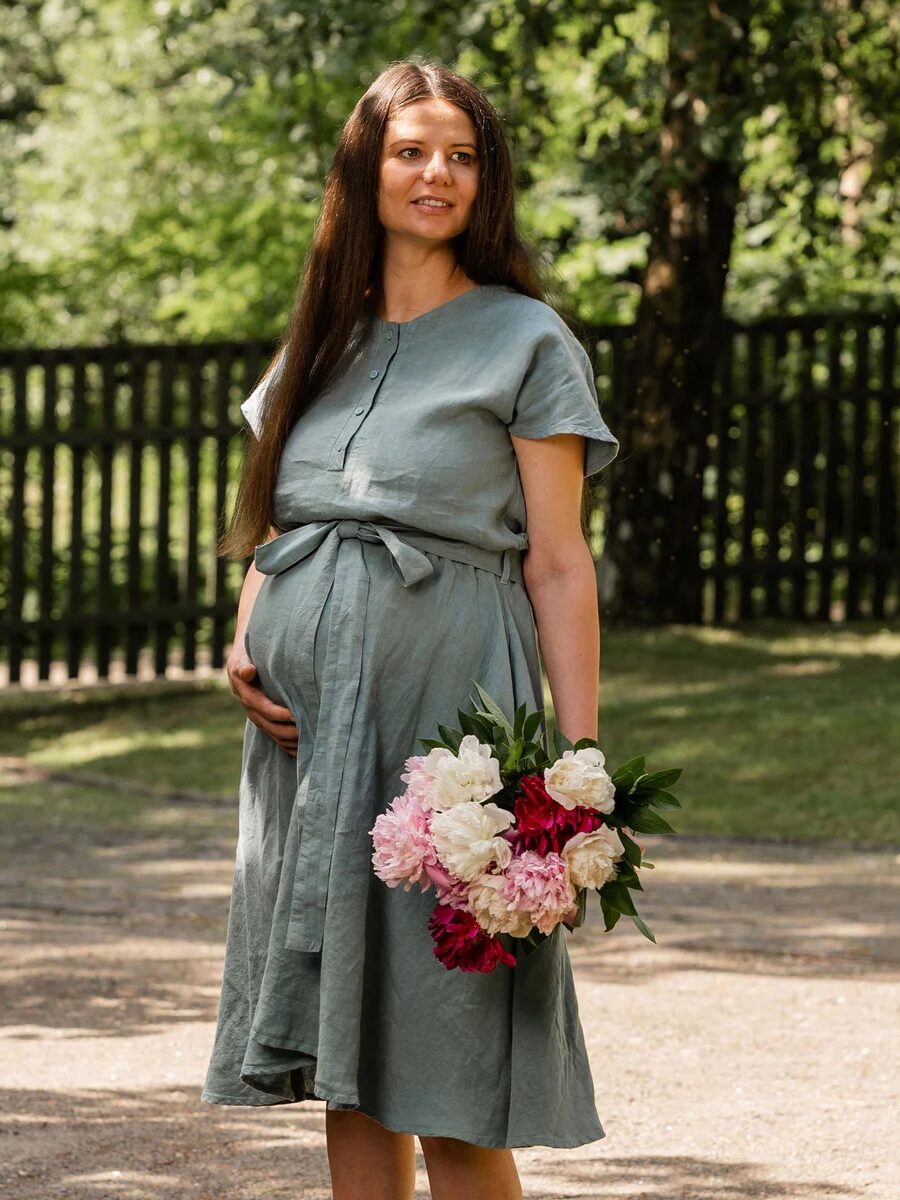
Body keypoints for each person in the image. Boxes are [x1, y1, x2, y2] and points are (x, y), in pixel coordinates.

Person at [201, 57, 620, 1200]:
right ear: (365, 171)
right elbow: (276, 518)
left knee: (448, 1058)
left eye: (462, 155)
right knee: (352, 1066)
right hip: (310, 746)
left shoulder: (527, 339)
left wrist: (574, 776)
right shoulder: (317, 342)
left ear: (487, 182)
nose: (437, 173)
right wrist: (247, 634)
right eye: (410, 151)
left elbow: (560, 561)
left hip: (452, 737)